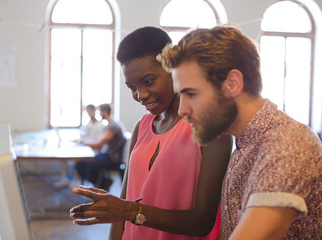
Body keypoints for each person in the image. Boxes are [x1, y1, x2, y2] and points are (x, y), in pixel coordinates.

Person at [159, 25, 322, 239]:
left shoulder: (287, 143)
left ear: (233, 84)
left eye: (191, 94)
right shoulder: (246, 143)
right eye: (181, 96)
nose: (182, 110)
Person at [70, 26, 232, 240]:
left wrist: (130, 211)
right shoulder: (142, 126)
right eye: (131, 87)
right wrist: (121, 212)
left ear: (172, 67)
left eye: (148, 82)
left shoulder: (210, 129)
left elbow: (203, 221)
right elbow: (124, 200)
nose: (140, 95)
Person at [75, 103, 125, 190]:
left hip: (113, 159)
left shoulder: (113, 126)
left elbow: (99, 144)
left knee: (83, 165)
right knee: (80, 164)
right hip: (107, 155)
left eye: (100, 112)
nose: (99, 114)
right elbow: (96, 138)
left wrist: (83, 143)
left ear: (105, 112)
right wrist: (83, 141)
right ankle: (102, 182)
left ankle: (103, 182)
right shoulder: (110, 124)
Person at [54, 104, 105, 188]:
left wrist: (84, 141)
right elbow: (82, 133)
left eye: (90, 112)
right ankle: (65, 178)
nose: (89, 114)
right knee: (63, 157)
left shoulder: (100, 125)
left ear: (94, 112)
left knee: (75, 160)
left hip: (93, 150)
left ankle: (76, 180)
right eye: (87, 112)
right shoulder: (88, 124)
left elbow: (97, 141)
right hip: (85, 147)